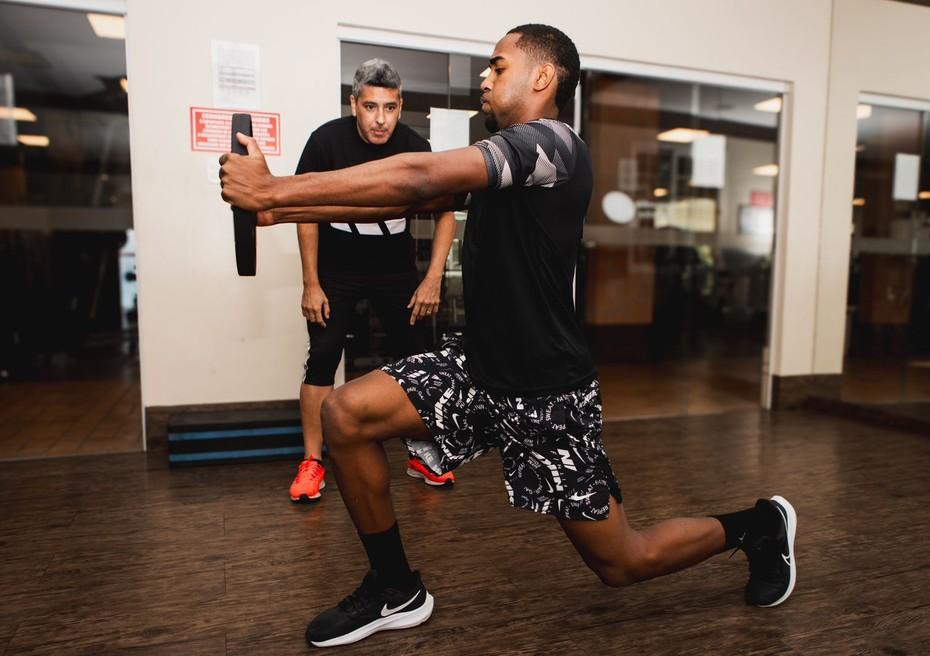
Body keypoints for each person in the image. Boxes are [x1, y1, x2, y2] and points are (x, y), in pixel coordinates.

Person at [220, 23, 798, 649]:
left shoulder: (552, 146)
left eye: (498, 65)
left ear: (543, 78)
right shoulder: (503, 156)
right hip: (480, 364)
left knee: (621, 562)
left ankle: (758, 527)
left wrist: (276, 187)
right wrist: (280, 211)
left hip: (546, 387)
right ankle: (395, 587)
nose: (485, 77)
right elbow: (394, 204)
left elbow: (413, 176)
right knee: (346, 412)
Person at [289, 58, 458, 503]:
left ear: (400, 106)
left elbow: (445, 213)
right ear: (354, 105)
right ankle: (312, 463)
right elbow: (303, 211)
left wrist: (432, 279)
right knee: (322, 357)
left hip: (394, 269)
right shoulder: (326, 141)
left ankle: (421, 453)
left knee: (417, 360)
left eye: (389, 107)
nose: (380, 119)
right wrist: (311, 282)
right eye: (370, 107)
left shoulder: (414, 146)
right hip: (337, 269)